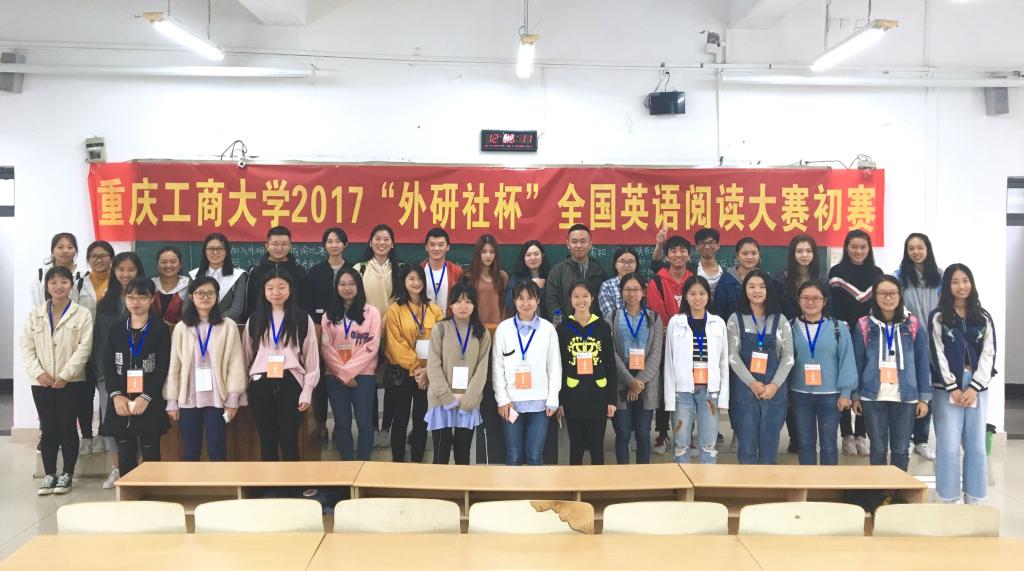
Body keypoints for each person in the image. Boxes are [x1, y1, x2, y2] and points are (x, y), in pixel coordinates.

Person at [21, 266, 93, 495]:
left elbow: (84, 348)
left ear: (71, 285)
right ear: (47, 286)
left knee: (67, 427)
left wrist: (65, 375)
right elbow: (26, 347)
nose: (58, 286)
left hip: (71, 382)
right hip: (41, 382)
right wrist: (38, 373)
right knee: (49, 427)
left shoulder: (82, 314)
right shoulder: (35, 314)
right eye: (53, 282)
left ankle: (67, 474)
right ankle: (50, 474)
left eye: (63, 281)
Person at [929, 264, 996, 504]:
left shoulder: (983, 317)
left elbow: (989, 352)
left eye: (965, 280)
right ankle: (948, 497)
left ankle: (974, 496)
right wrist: (952, 387)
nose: (961, 286)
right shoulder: (938, 317)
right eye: (955, 281)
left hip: (976, 387)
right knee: (948, 445)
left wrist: (975, 386)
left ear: (972, 283)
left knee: (976, 444)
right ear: (947, 286)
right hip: (946, 387)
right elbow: (936, 353)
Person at [852, 275, 931, 472]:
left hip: (906, 396)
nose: (888, 298)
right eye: (882, 293)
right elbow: (857, 363)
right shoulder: (864, 325)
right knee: (877, 449)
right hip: (872, 396)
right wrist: (855, 395)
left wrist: (924, 398)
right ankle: (879, 489)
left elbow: (922, 362)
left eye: (892, 293)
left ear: (900, 295)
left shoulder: (913, 324)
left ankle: (898, 489)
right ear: (875, 296)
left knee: (901, 450)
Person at [165, 277, 247, 461]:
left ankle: (218, 481)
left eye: (210, 293)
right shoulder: (182, 327)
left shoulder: (228, 326)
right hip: (188, 397)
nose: (205, 297)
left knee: (217, 450)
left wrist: (233, 398)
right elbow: (174, 366)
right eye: (200, 293)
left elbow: (236, 364)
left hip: (219, 398)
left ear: (217, 297)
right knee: (190, 450)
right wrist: (171, 400)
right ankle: (192, 481)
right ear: (191, 297)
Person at [243, 269, 320, 461]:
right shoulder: (255, 318)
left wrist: (307, 390)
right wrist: (242, 389)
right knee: (267, 441)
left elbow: (311, 357)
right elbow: (245, 356)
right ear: (264, 291)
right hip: (261, 383)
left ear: (290, 289)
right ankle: (269, 480)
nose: (275, 292)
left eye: (281, 287)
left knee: (289, 440)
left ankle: (290, 480)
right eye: (270, 288)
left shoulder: (302, 318)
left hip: (291, 382)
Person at [99, 277, 170, 477]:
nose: (136, 302)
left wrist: (146, 397)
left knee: (151, 454)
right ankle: (129, 493)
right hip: (121, 400)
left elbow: (163, 367)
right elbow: (107, 365)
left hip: (149, 400)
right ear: (124, 298)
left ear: (152, 299)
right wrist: (116, 395)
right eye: (131, 297)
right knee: (126, 455)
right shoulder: (117, 328)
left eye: (142, 297)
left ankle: (152, 492)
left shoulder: (159, 328)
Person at [727, 269, 795, 465]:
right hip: (745, 392)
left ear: (769, 290)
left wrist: (774, 385)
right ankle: (748, 485)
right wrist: (752, 383)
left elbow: (788, 357)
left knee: (769, 450)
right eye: (751, 286)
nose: (757, 291)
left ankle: (768, 484)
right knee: (747, 449)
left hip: (773, 392)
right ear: (745, 290)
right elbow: (733, 356)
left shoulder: (780, 320)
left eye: (762, 286)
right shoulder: (735, 319)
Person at [493, 280, 561, 466]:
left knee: (535, 455)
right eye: (520, 298)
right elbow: (497, 368)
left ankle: (536, 487)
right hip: (512, 403)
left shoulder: (548, 329)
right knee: (514, 455)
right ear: (514, 301)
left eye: (530, 298)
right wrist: (502, 399)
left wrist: (553, 398)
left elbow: (554, 366)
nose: (525, 303)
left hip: (540, 404)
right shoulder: (504, 329)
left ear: (538, 300)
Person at [788, 280, 857, 465]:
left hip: (830, 395)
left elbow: (847, 360)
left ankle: (828, 480)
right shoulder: (790, 326)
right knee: (804, 442)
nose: (810, 302)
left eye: (816, 298)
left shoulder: (838, 327)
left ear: (824, 301)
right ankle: (808, 480)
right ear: (798, 300)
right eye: (805, 298)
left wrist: (846, 392)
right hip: (799, 393)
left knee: (829, 444)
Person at [93, 251, 145, 489]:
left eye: (131, 269)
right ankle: (116, 468)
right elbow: (99, 341)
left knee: (139, 421)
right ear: (114, 272)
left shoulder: (146, 299)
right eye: (121, 269)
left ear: (138, 271)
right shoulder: (106, 302)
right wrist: (102, 375)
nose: (125, 274)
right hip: (110, 374)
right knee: (113, 422)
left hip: (140, 373)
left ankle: (139, 468)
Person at [829, 230, 883, 456]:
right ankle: (846, 435)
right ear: (846, 247)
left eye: (863, 247)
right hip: (844, 333)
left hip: (869, 335)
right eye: (854, 246)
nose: (858, 251)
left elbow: (879, 305)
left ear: (869, 249)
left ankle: (861, 434)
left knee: (865, 381)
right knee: (844, 382)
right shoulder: (836, 272)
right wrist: (844, 329)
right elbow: (833, 304)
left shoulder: (877, 274)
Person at [664, 275, 729, 464]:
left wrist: (723, 396)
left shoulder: (718, 322)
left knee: (709, 444)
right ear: (685, 296)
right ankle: (682, 480)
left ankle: (706, 480)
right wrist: (670, 397)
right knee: (681, 443)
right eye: (693, 293)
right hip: (682, 391)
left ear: (708, 296)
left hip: (710, 391)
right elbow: (669, 362)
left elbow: (723, 362)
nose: (697, 298)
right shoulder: (676, 321)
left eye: (702, 293)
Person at [426, 280, 492, 465]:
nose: (463, 306)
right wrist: (447, 397)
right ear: (451, 304)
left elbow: (482, 370)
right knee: (440, 456)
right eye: (458, 301)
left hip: (468, 402)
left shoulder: (482, 333)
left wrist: (467, 399)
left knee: (463, 457)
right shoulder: (440, 328)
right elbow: (433, 365)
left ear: (475, 305)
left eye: (468, 301)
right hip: (441, 401)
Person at [320, 268, 381, 461]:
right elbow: (326, 347)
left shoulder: (371, 312)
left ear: (359, 286)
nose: (346, 288)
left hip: (363, 376)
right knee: (342, 423)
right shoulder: (329, 315)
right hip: (335, 376)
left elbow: (372, 345)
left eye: (351, 284)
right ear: (336, 287)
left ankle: (363, 464)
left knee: (365, 423)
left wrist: (348, 372)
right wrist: (343, 373)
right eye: (342, 284)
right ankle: (346, 465)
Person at [384, 264, 443, 462]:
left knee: (421, 421)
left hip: (428, 373)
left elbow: (441, 342)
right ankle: (398, 463)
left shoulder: (434, 310)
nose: (416, 283)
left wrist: (427, 370)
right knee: (400, 420)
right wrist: (417, 368)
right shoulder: (394, 310)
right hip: (403, 373)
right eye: (411, 279)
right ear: (403, 282)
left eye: (419, 279)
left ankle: (417, 462)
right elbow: (395, 344)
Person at [894, 232, 943, 461]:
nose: (916, 252)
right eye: (911, 248)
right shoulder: (899, 276)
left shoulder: (940, 276)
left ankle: (922, 439)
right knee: (908, 389)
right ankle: (906, 438)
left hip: (935, 343)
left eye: (920, 247)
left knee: (927, 389)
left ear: (927, 249)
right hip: (908, 341)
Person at [556, 282, 616, 465]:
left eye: (585, 296)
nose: (580, 300)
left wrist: (612, 400)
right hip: (573, 396)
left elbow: (610, 364)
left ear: (592, 298)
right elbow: (559, 367)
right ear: (570, 299)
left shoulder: (602, 326)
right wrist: (560, 401)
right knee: (576, 448)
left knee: (597, 448)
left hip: (598, 395)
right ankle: (576, 483)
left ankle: (597, 482)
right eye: (576, 296)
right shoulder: (563, 328)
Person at [776, 234, 825, 453]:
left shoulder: (821, 279)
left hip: (815, 338)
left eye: (808, 251)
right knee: (790, 387)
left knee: (811, 387)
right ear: (792, 254)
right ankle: (795, 437)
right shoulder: (782, 278)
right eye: (799, 251)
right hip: (789, 336)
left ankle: (810, 436)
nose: (804, 255)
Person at [645, 235, 693, 455]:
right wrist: (672, 334)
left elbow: (698, 307)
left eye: (682, 250)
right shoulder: (657, 281)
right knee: (665, 388)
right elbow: (657, 313)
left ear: (689, 255)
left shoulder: (694, 280)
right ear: (667, 256)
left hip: (690, 344)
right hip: (664, 343)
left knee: (689, 388)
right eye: (673, 251)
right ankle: (662, 433)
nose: (678, 254)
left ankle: (687, 434)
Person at [354, 224, 400, 449]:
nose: (382, 243)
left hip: (394, 332)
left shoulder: (400, 269)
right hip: (365, 333)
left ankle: (387, 427)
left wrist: (385, 323)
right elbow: (354, 301)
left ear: (392, 244)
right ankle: (371, 426)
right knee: (368, 380)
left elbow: (401, 301)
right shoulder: (359, 268)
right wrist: (373, 325)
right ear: (370, 242)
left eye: (386, 239)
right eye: (378, 238)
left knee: (392, 381)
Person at [608, 273, 663, 464]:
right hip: (621, 381)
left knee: (643, 433)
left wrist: (638, 382)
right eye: (628, 289)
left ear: (643, 292)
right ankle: (624, 476)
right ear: (621, 291)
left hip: (646, 383)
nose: (632, 294)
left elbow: (656, 354)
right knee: (622, 433)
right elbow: (611, 353)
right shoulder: (612, 317)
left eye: (636, 289)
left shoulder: (654, 318)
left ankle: (643, 476)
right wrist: (630, 381)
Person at [305, 227, 353, 444]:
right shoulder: (315, 271)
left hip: (348, 333)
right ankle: (321, 423)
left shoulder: (353, 270)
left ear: (345, 245)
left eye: (338, 241)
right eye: (329, 241)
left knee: (343, 374)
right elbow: (308, 301)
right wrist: (315, 326)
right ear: (324, 245)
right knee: (321, 380)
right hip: (320, 330)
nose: (334, 245)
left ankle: (342, 424)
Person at [72, 240, 114, 454]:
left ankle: (104, 433)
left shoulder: (118, 282)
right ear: (88, 259)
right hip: (85, 345)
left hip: (108, 345)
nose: (99, 259)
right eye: (94, 256)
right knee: (84, 393)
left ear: (111, 258)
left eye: (104, 255)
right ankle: (87, 436)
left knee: (106, 391)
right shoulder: (79, 284)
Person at [544, 224, 608, 320]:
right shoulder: (557, 271)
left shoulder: (599, 271)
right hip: (565, 326)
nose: (579, 245)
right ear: (568, 244)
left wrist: (596, 324)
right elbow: (552, 302)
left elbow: (602, 303)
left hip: (593, 326)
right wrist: (562, 324)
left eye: (583, 241)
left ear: (590, 244)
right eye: (574, 241)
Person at [245, 226, 308, 318]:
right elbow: (251, 301)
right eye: (275, 244)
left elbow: (305, 301)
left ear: (290, 246)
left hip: (293, 320)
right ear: (267, 246)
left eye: (284, 244)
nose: (279, 248)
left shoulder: (299, 271)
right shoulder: (256, 271)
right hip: (261, 320)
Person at [188, 233, 248, 323]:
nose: (215, 252)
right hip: (199, 325)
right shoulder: (194, 275)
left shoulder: (238, 275)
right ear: (205, 251)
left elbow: (236, 309)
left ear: (226, 251)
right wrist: (203, 322)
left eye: (220, 248)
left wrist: (215, 322)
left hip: (228, 326)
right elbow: (187, 306)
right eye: (211, 248)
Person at [654, 226, 724, 297]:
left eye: (711, 242)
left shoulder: (725, 273)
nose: (707, 246)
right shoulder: (688, 269)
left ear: (718, 245)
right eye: (702, 243)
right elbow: (656, 266)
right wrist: (659, 244)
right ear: (696, 246)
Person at [713, 237, 762, 320]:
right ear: (737, 256)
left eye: (754, 253)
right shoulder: (726, 280)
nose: (749, 257)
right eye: (745, 253)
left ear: (759, 255)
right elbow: (718, 311)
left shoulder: (765, 279)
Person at [467, 234, 508, 326]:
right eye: (484, 252)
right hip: (475, 327)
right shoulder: (469, 277)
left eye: (492, 252)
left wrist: (503, 325)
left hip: (498, 327)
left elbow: (505, 305)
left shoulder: (503, 276)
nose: (488, 256)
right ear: (478, 253)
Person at [31, 232, 82, 306]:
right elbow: (35, 303)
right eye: (60, 247)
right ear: (52, 250)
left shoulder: (83, 275)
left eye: (70, 247)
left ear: (76, 250)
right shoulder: (40, 274)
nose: (65, 251)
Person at [421, 227, 464, 314]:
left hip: (449, 320)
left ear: (447, 247)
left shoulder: (456, 271)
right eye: (432, 244)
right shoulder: (419, 270)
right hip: (422, 319)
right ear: (426, 247)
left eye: (441, 245)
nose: (436, 248)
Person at [505, 240, 551, 319]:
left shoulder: (550, 276)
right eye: (528, 255)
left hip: (545, 321)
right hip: (522, 320)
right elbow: (509, 301)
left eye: (536, 254)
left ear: (543, 255)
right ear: (523, 258)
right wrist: (530, 284)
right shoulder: (517, 277)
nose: (533, 258)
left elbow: (553, 301)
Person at [152, 246, 190, 325]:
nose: (168, 265)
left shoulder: (189, 285)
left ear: (180, 264)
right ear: (157, 265)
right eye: (163, 262)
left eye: (173, 262)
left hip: (182, 331)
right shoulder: (150, 285)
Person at [597, 247, 639, 318]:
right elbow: (610, 318)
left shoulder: (644, 286)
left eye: (630, 262)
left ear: (636, 264)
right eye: (622, 261)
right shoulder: (607, 287)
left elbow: (648, 314)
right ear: (615, 264)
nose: (626, 265)